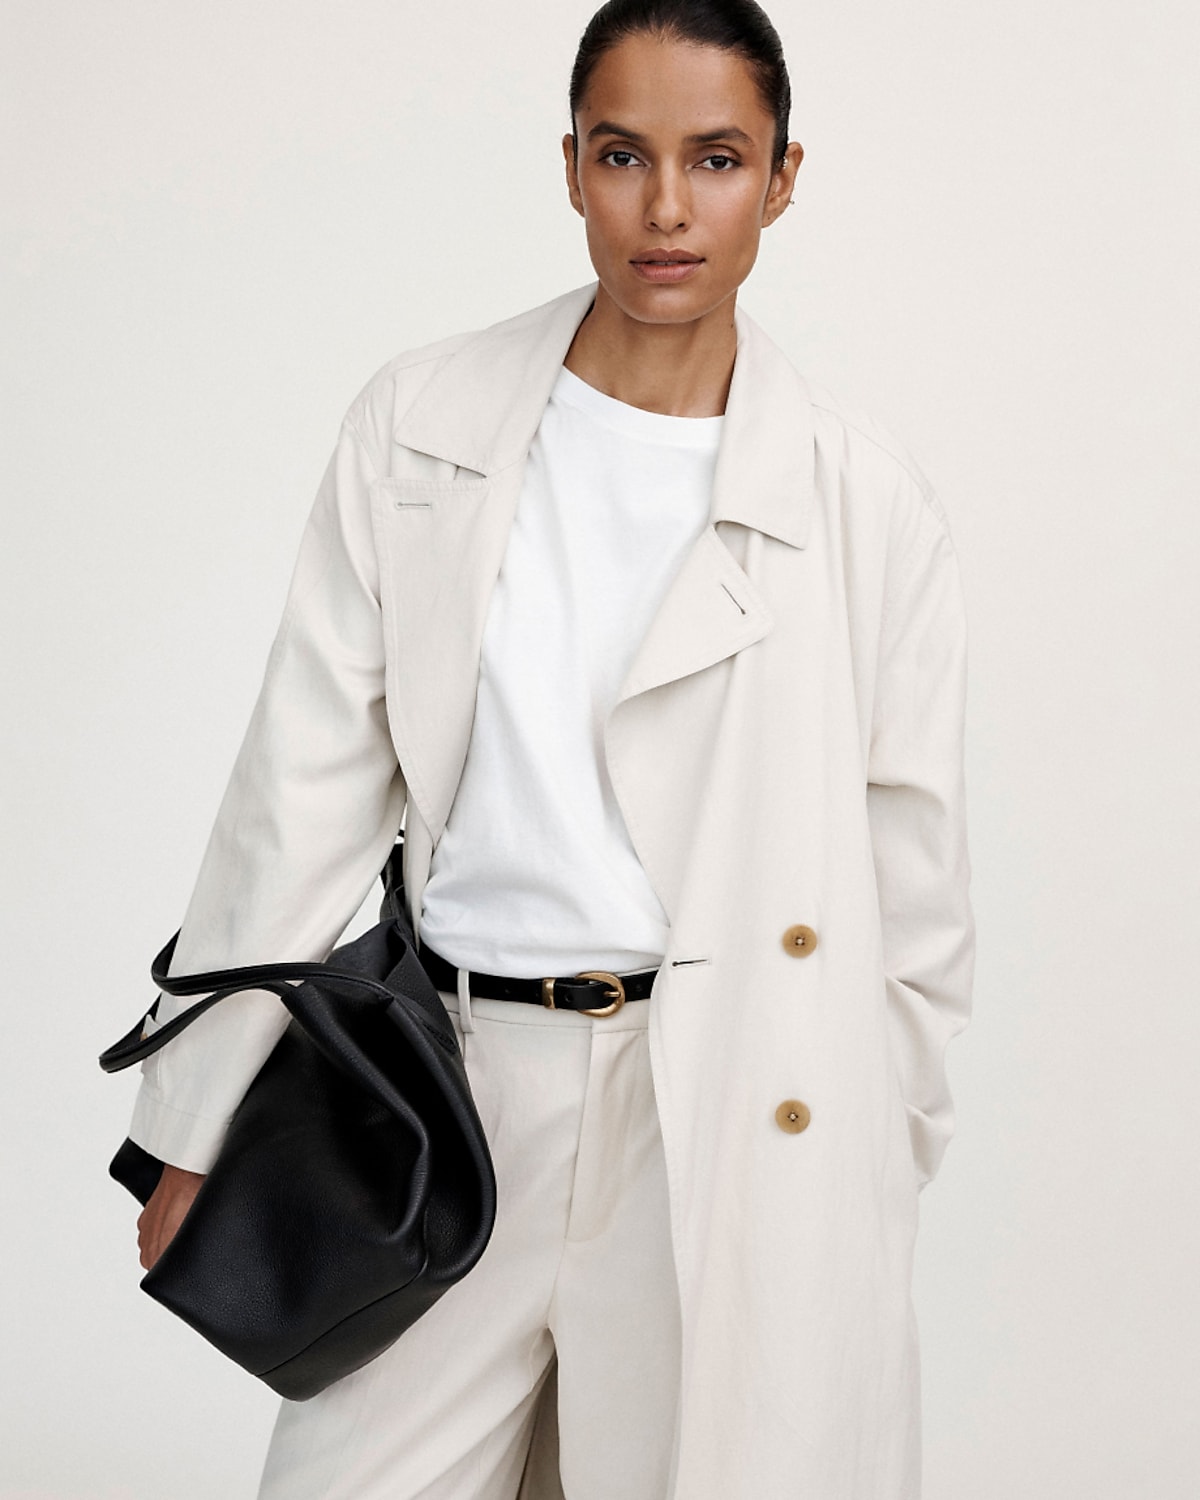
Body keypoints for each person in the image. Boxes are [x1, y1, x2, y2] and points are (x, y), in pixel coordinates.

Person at [129, 1, 975, 1496]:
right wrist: (185, 1125)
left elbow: (917, 887)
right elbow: (301, 788)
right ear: (571, 171)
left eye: (716, 159)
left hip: (722, 1113)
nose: (667, 208)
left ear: (782, 177)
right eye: (622, 154)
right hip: (453, 1086)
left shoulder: (866, 500)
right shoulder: (422, 426)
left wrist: (865, 1154)